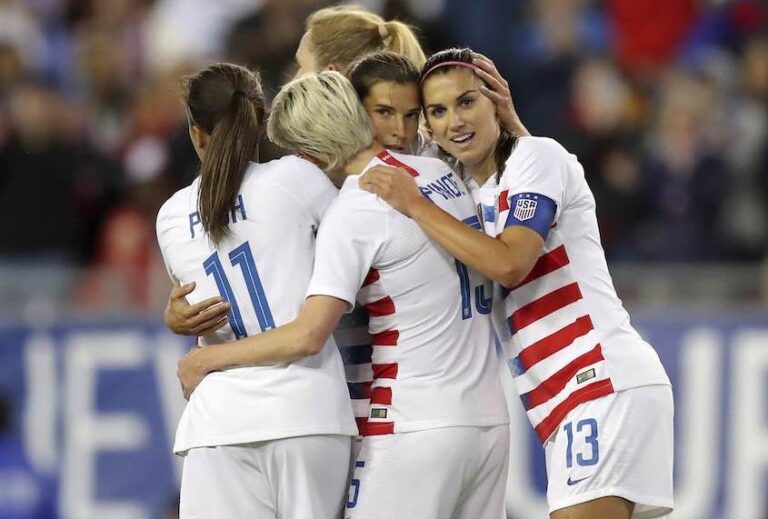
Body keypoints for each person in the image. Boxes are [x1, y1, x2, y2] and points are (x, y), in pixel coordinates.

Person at [176, 71, 510, 519]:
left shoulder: (355, 211)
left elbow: (308, 334)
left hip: (412, 422)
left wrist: (208, 358)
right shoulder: (438, 173)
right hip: (488, 419)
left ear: (308, 154)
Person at [360, 48, 674, 519]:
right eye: (438, 111)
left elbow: (511, 265)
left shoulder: (537, 156)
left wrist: (415, 206)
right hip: (563, 397)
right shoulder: (464, 187)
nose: (454, 122)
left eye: (467, 102)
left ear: (495, 101)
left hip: (596, 380)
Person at [155, 63, 357, 519]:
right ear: (260, 120)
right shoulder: (298, 181)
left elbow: (194, 308)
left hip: (218, 419)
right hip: (307, 409)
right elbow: (357, 252)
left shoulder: (170, 216)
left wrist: (174, 319)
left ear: (195, 134)